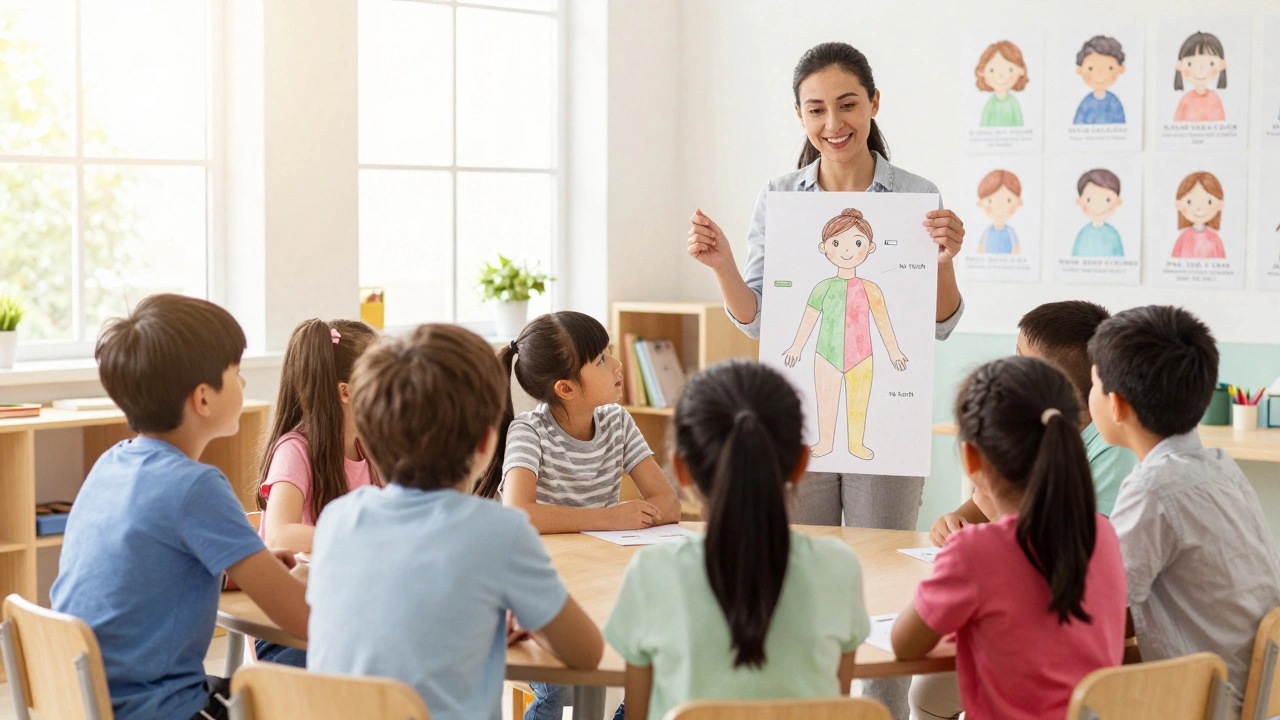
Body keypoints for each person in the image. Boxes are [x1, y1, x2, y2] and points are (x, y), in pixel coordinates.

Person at [685, 42, 965, 717]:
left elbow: (942, 320)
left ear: (873, 103)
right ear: (798, 115)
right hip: (796, 417)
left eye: (847, 104)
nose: (833, 122)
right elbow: (760, 319)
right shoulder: (779, 197)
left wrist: (947, 257)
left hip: (886, 429)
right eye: (817, 109)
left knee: (886, 586)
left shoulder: (916, 195)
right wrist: (723, 264)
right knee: (799, 581)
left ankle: (882, 713)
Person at [306, 323, 603, 720]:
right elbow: (587, 653)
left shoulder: (337, 520)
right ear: (486, 442)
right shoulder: (500, 531)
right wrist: (527, 615)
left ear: (371, 440)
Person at [51, 294, 309, 720]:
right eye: (236, 373)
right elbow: (300, 619)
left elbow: (148, 568)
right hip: (157, 710)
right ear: (203, 399)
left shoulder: (112, 462)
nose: (244, 384)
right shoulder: (197, 487)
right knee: (302, 701)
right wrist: (308, 580)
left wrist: (249, 567)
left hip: (88, 701)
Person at [605, 360, 868, 720]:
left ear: (680, 470)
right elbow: (831, 705)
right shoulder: (839, 567)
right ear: (801, 463)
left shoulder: (653, 573)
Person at [893, 356, 1127, 720]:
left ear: (970, 460)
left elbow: (903, 645)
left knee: (925, 694)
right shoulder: (1104, 535)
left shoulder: (973, 551)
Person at [1089, 305, 1280, 713]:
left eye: (1092, 384)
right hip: (1254, 691)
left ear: (1117, 405)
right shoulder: (1220, 467)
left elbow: (1104, 607)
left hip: (1203, 699)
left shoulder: (1152, 488)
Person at [252, 318, 382, 667]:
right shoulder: (295, 450)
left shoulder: (371, 449)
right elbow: (279, 533)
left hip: (350, 611)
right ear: (346, 391)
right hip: (290, 630)